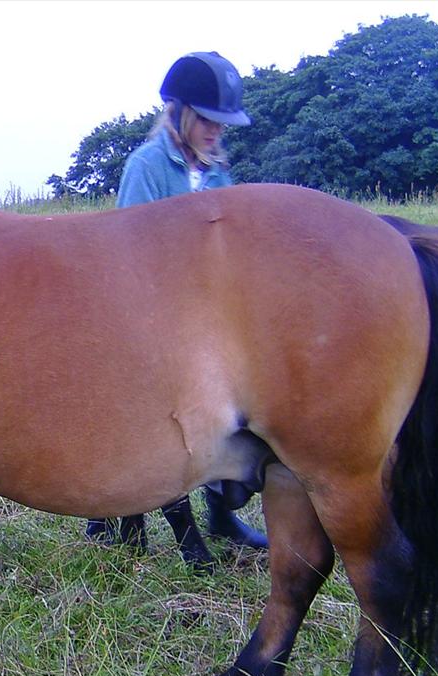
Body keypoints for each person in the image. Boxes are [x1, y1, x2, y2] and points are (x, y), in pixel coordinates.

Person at [86, 51, 268, 557]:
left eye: (222, 124)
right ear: (180, 113)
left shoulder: (216, 170)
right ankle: (179, 530)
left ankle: (221, 517)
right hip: (154, 311)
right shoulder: (146, 166)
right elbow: (130, 249)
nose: (216, 132)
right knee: (172, 411)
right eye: (208, 120)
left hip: (204, 313)